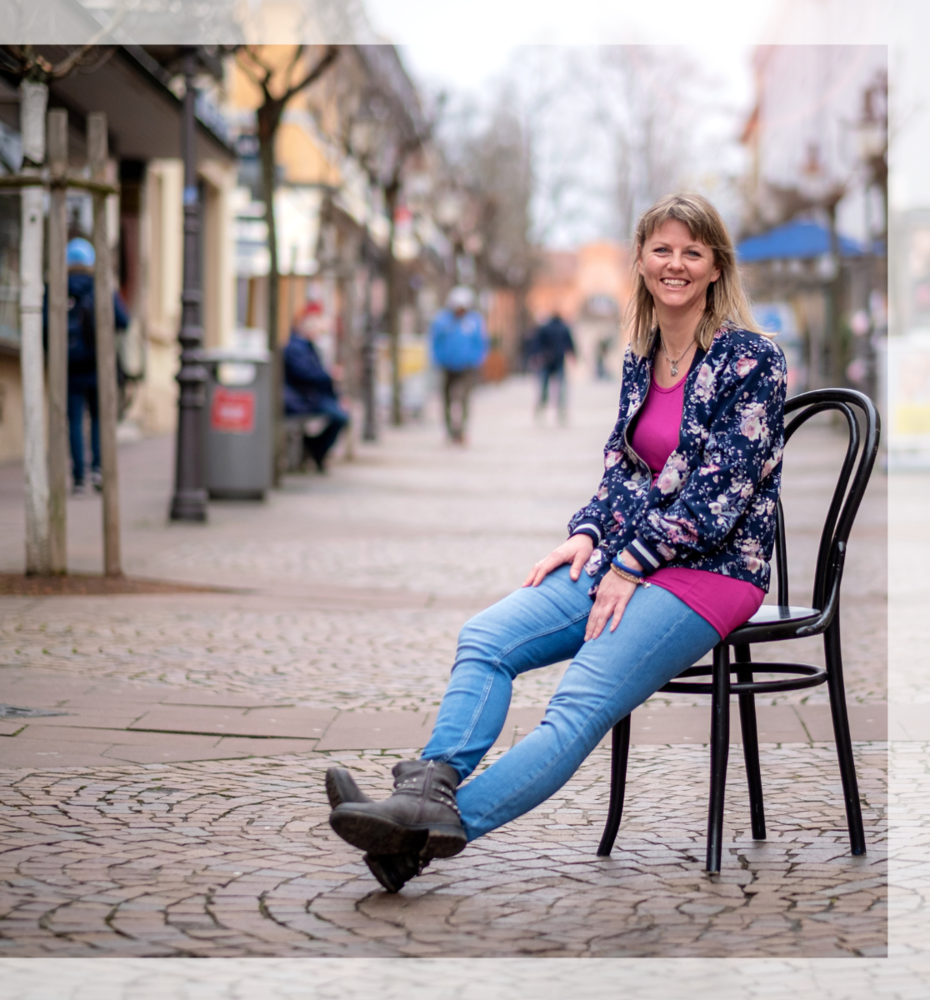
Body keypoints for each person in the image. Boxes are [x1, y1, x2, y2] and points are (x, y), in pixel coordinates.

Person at [324, 193, 788, 893]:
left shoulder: (753, 360)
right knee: (487, 636)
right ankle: (425, 789)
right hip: (628, 557)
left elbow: (718, 500)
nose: (676, 264)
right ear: (638, 260)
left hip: (713, 572)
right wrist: (590, 533)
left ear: (717, 267)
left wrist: (630, 565)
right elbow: (622, 467)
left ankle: (414, 841)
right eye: (662, 249)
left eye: (693, 251)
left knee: (577, 703)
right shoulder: (643, 354)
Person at [45, 237, 130, 494]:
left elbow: (44, 328)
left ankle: (78, 476)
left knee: (73, 420)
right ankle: (97, 470)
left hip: (68, 365)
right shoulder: (101, 286)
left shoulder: (55, 287)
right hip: (98, 364)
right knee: (99, 418)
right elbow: (124, 320)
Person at [283, 302, 349, 472]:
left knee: (342, 415)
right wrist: (329, 375)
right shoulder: (296, 348)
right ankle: (315, 448)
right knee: (340, 417)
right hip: (303, 398)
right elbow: (306, 375)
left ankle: (314, 447)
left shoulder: (307, 346)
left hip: (311, 396)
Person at [431, 286, 488, 444]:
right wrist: (439, 358)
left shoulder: (474, 321)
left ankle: (461, 430)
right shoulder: (442, 320)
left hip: (466, 366)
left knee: (464, 399)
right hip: (446, 365)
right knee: (446, 399)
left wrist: (475, 359)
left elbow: (481, 342)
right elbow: (435, 341)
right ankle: (449, 431)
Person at [530, 310, 576, 422]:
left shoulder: (545, 327)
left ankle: (540, 409)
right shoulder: (564, 328)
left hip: (546, 359)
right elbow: (570, 344)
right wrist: (573, 356)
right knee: (561, 387)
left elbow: (537, 344)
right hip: (559, 360)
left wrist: (536, 356)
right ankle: (561, 412)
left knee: (544, 387)